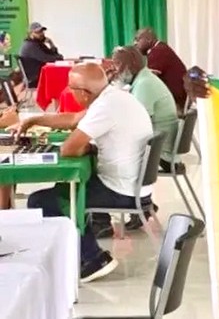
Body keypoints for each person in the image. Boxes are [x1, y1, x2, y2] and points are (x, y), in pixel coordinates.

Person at [17, 63, 153, 282]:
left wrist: (84, 146)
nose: (69, 92)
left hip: (121, 190)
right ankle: (81, 252)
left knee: (41, 200)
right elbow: (73, 120)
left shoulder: (105, 107)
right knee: (66, 188)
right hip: (133, 183)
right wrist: (33, 120)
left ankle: (92, 259)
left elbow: (68, 149)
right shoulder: (113, 97)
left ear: (84, 93)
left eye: (71, 88)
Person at [110, 46, 179, 230]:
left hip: (161, 152)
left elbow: (137, 123)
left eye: (117, 65)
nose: (115, 70)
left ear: (130, 65)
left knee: (107, 157)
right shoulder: (143, 79)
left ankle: (127, 208)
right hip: (160, 145)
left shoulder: (144, 84)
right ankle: (144, 203)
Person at [133, 28, 188, 109]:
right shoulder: (161, 48)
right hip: (176, 98)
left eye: (137, 40)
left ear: (148, 39)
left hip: (175, 102)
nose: (135, 44)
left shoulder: (158, 52)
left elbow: (145, 79)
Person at [19, 22, 63, 87]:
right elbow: (47, 59)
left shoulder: (37, 43)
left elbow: (52, 54)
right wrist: (59, 57)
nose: (41, 34)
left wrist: (51, 43)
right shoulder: (30, 45)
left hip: (40, 74)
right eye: (38, 32)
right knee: (62, 76)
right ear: (31, 34)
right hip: (36, 77)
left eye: (42, 31)